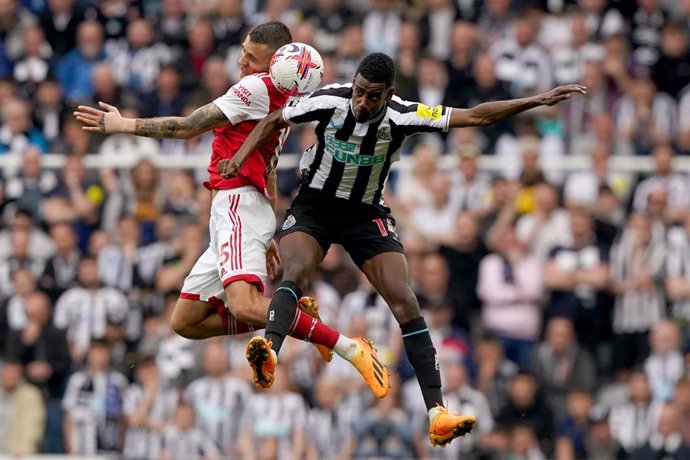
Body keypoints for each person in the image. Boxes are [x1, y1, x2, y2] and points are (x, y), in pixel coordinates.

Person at [218, 51, 585, 446]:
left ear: (388, 93)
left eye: (372, 97)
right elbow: (276, 118)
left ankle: (437, 413)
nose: (361, 102)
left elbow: (476, 116)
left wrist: (535, 100)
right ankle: (269, 352)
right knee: (296, 273)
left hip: (365, 214)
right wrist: (239, 157)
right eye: (359, 92)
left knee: (406, 301)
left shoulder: (403, 114)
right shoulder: (330, 99)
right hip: (315, 206)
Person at [73, 22, 387, 398]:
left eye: (251, 57)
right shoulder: (286, 98)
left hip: (237, 203)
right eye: (243, 50)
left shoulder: (255, 88)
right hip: (240, 210)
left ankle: (348, 347)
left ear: (276, 63)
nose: (241, 61)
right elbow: (268, 166)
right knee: (186, 321)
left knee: (244, 304)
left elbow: (189, 126)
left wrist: (125, 125)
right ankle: (290, 316)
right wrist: (267, 230)